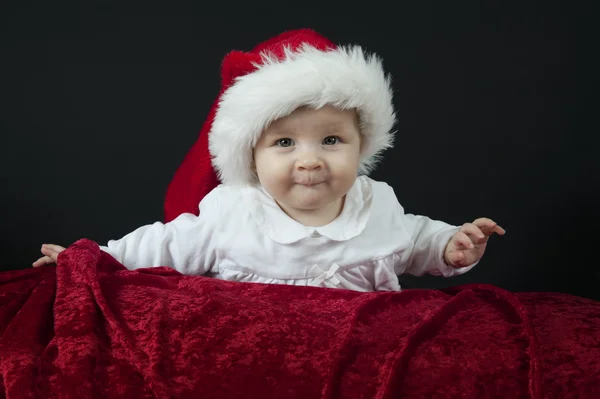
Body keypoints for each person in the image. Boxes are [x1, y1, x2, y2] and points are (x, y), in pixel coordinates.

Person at [33, 28, 505, 292]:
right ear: (251, 156)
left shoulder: (376, 204)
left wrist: (449, 246)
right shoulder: (234, 212)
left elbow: (414, 240)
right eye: (284, 144)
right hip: (261, 350)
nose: (310, 160)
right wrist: (93, 257)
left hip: (360, 348)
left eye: (332, 140)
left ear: (361, 146)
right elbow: (164, 245)